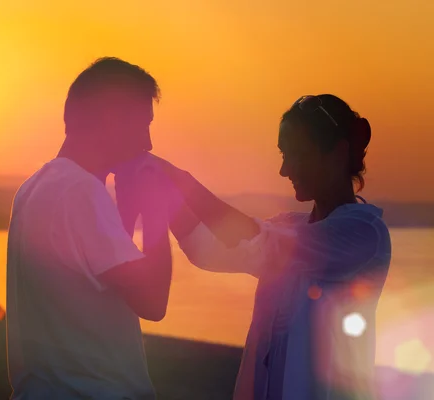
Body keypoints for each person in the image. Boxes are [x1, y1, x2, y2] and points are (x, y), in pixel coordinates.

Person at [150, 94, 391, 399]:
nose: (284, 169)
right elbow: (206, 249)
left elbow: (261, 240)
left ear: (339, 153)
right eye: (283, 154)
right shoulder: (289, 226)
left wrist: (179, 180)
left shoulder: (363, 233)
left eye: (297, 155)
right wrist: (162, 193)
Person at [5, 57, 173, 399]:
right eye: (143, 125)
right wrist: (157, 209)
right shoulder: (81, 192)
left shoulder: (35, 187)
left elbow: (100, 275)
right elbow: (153, 302)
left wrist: (127, 209)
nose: (149, 143)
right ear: (110, 122)